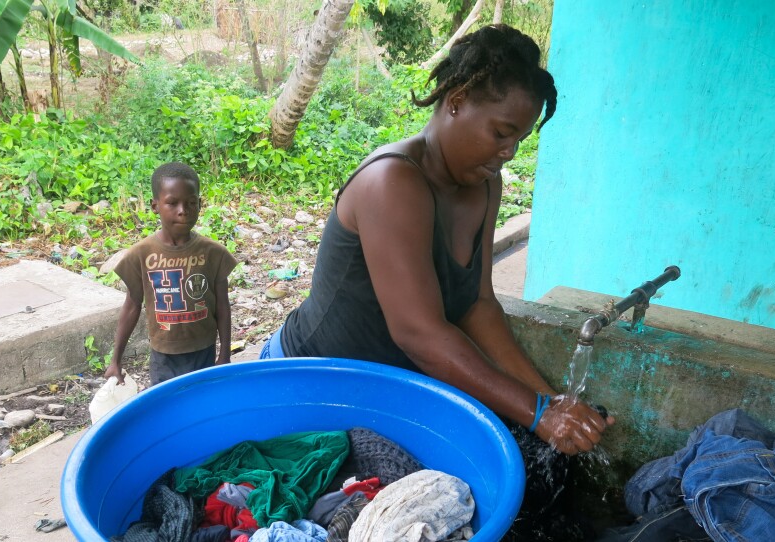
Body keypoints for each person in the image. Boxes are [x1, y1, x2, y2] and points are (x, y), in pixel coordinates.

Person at [263, 24, 615, 538]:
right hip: (307, 386)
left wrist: (552, 401)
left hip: (386, 393)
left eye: (520, 137)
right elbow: (421, 335)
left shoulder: (483, 185)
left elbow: (477, 305)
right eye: (501, 132)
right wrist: (538, 414)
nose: (510, 151)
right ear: (456, 101)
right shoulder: (393, 182)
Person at [105, 162, 238, 387]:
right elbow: (132, 305)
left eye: (191, 203)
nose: (183, 210)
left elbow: (223, 307)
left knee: (201, 407)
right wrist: (115, 359)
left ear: (200, 204)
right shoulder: (141, 254)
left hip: (203, 351)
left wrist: (224, 354)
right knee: (168, 410)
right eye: (172, 203)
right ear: (155, 206)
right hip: (163, 357)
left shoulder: (213, 253)